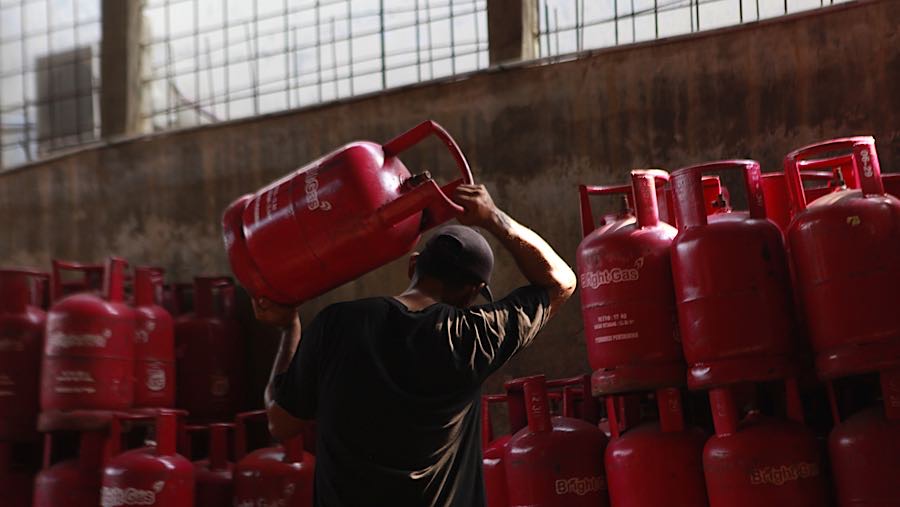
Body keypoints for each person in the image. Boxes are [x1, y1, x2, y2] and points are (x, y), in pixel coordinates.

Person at [253, 183, 576, 507]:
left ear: (413, 265)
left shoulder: (336, 324)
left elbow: (280, 423)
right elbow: (562, 281)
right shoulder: (474, 336)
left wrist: (288, 328)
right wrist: (492, 217)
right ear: (472, 292)